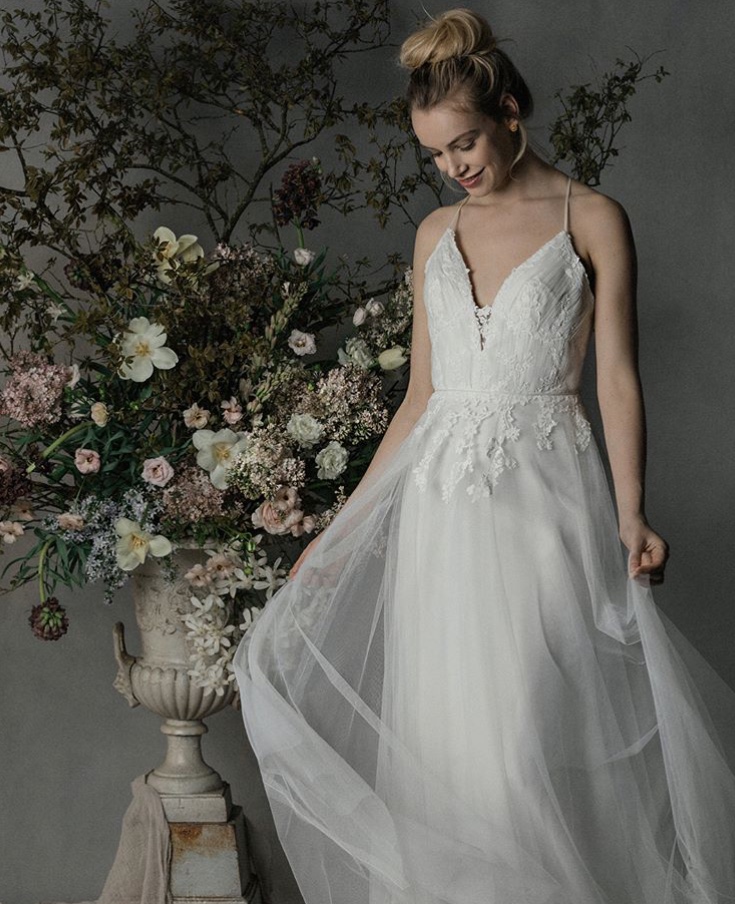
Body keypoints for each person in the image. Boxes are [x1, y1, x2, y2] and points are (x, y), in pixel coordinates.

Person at [233, 9, 735, 903]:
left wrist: (631, 512)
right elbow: (421, 401)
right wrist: (336, 535)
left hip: (543, 503)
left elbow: (614, 380)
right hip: (440, 513)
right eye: (435, 155)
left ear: (509, 110)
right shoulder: (434, 235)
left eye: (463, 142)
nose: (453, 167)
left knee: (521, 743)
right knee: (447, 748)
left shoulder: (593, 216)